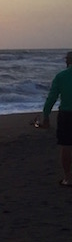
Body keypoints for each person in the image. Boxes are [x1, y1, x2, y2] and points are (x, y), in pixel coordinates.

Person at [41, 50, 72, 186]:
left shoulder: (61, 76)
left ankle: (68, 178)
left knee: (66, 146)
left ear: (67, 61)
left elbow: (52, 97)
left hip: (66, 114)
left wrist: (46, 115)